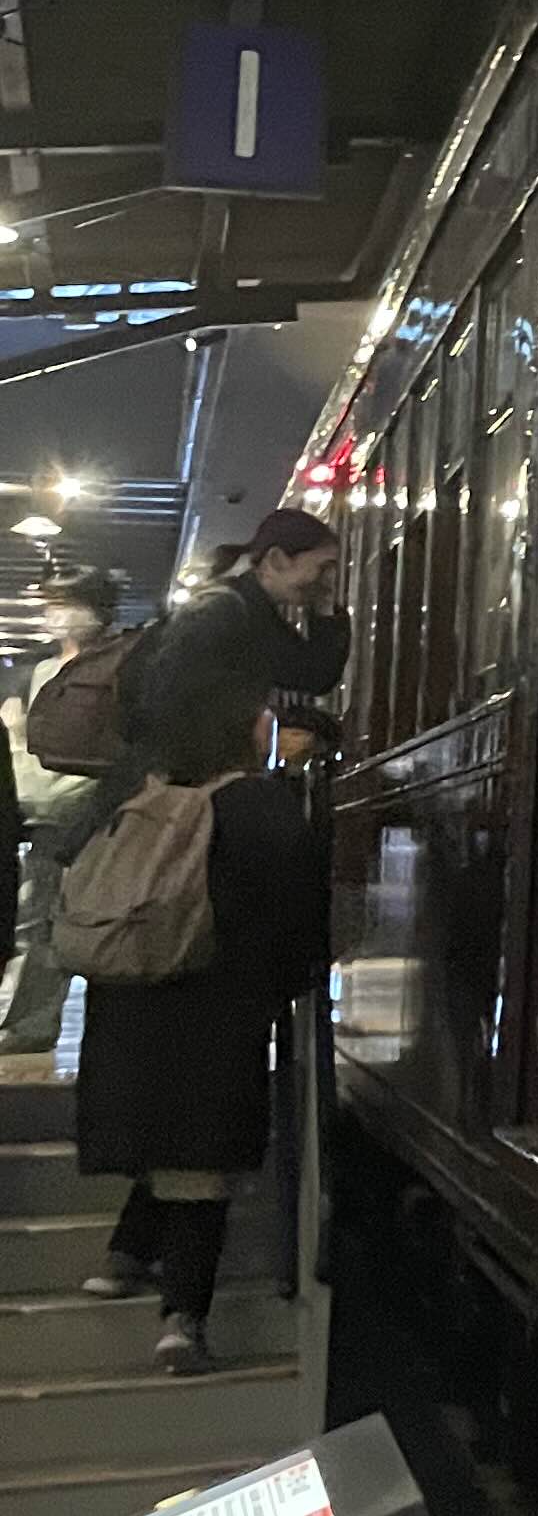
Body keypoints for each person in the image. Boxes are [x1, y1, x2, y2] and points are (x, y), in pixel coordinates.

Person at [74, 511, 346, 1374]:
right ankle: (182, 1318)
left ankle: (124, 1254)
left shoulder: (141, 809)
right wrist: (295, 980)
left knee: (162, 1134)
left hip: (137, 1011)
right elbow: (296, 920)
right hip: (217, 1014)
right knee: (201, 1161)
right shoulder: (256, 808)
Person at [0, 571, 119, 1053]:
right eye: (52, 603)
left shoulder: (119, 668)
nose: (57, 614)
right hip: (42, 813)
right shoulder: (37, 671)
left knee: (82, 919)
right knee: (37, 918)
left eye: (68, 603)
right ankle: (32, 1023)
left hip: (92, 810)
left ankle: (42, 1025)